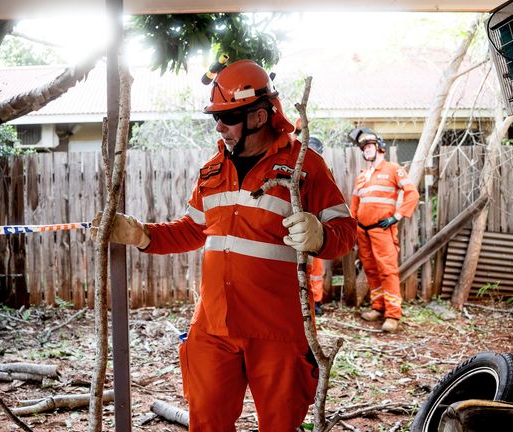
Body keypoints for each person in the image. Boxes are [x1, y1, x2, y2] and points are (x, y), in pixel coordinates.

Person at [93, 59, 356, 431]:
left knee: (281, 426)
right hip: (213, 326)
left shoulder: (304, 165)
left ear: (260, 117)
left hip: (279, 330)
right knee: (207, 424)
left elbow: (346, 231)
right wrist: (140, 233)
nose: (219, 126)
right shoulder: (212, 171)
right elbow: (191, 230)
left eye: (228, 117)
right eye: (215, 117)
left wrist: (322, 236)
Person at [349, 127, 419, 333]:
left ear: (380, 147)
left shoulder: (393, 169)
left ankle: (392, 314)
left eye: (370, 145)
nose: (367, 149)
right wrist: (352, 227)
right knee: (370, 270)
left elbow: (412, 194)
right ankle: (378, 307)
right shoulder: (362, 176)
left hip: (382, 229)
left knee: (387, 271)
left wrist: (396, 216)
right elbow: (354, 204)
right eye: (364, 147)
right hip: (363, 230)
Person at [307, 136, 326, 316]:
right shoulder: (295, 172)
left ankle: (317, 300)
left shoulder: (324, 174)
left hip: (318, 227)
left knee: (317, 268)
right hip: (297, 227)